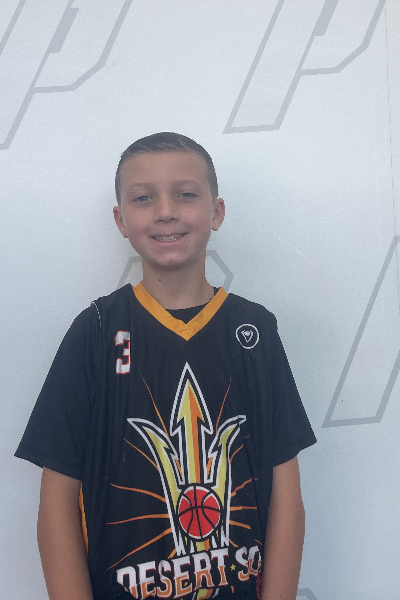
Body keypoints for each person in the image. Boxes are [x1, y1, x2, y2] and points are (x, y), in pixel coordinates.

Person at [15, 132, 316, 600]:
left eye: (185, 194)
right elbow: (56, 503)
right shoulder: (96, 331)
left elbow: (286, 495)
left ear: (216, 212)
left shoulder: (254, 331)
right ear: (121, 220)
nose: (165, 211)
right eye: (143, 198)